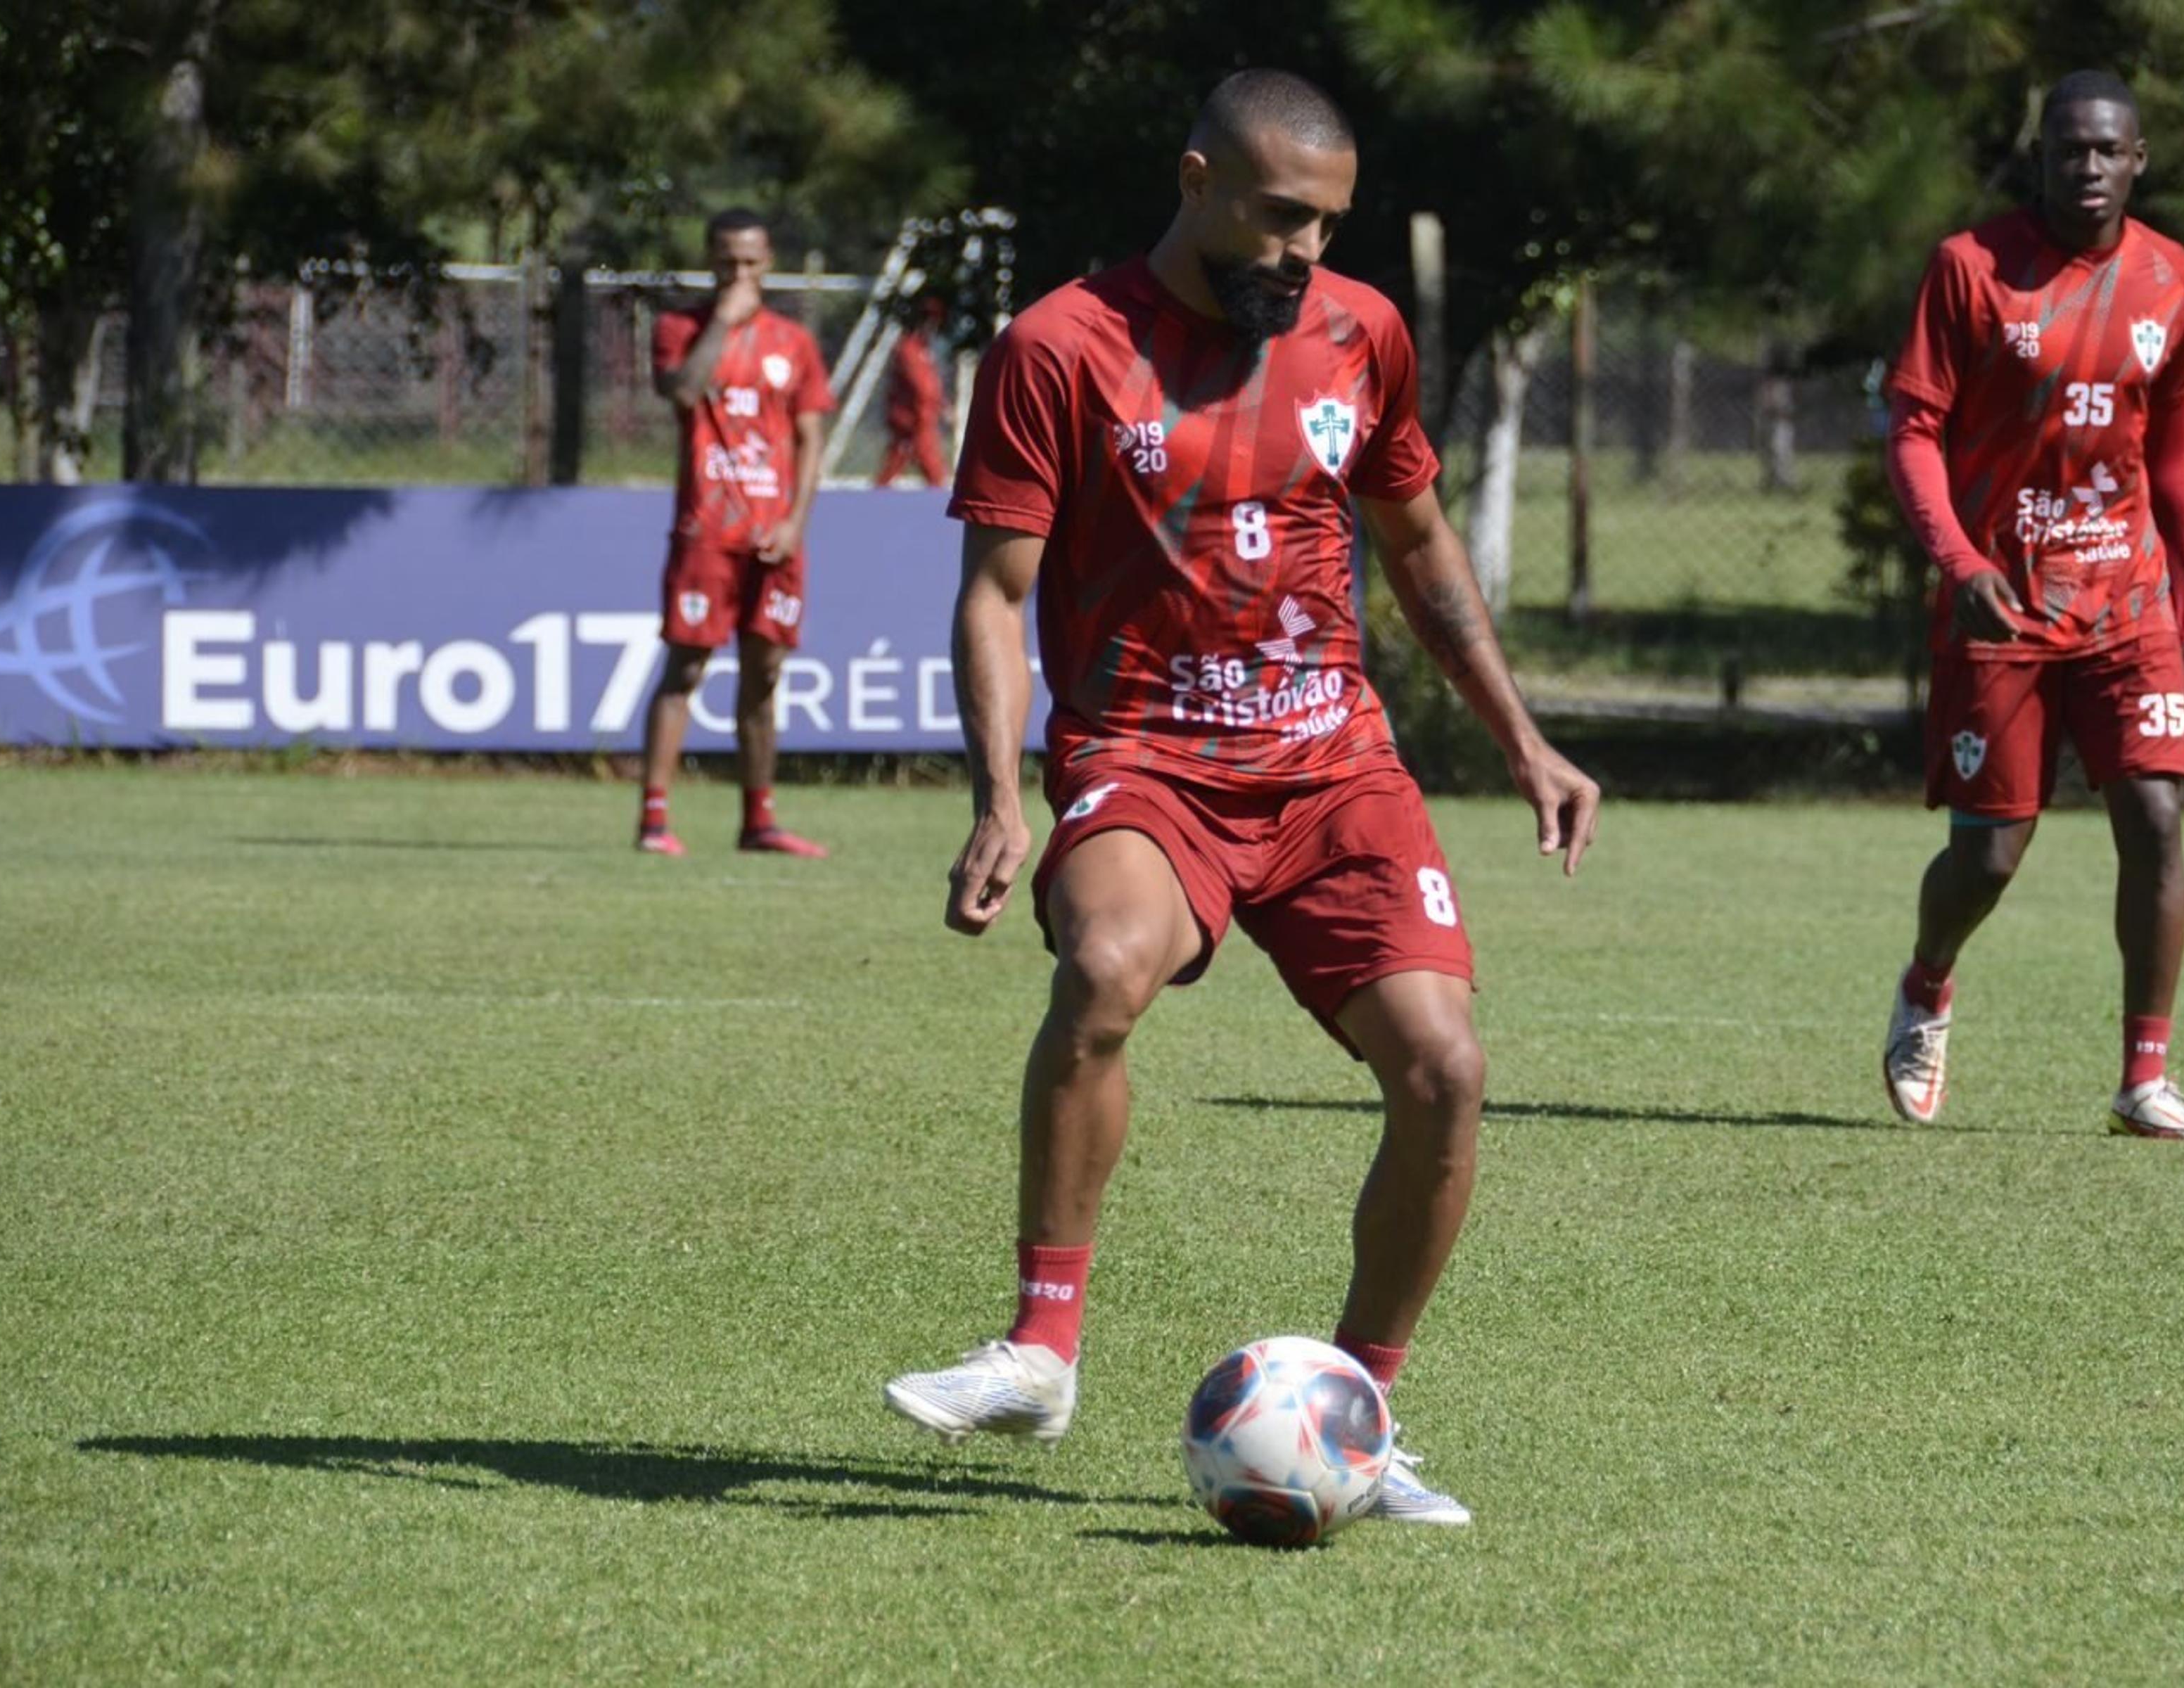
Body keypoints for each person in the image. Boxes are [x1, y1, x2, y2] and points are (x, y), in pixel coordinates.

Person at [881, 70, 1599, 1525]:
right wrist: (1000, 798)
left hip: (1335, 764)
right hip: (1148, 759)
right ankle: (1042, 1347)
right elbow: (995, 594)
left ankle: (1361, 1416)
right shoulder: (1061, 348)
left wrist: (1523, 739)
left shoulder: (1362, 337)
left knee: (1445, 1068)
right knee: (1104, 968)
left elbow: (1421, 547)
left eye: (1327, 226)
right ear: (1198, 177)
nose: (1304, 253)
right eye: (1278, 218)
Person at [1878, 72, 2184, 1142]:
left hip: (2129, 599)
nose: (2087, 168)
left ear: (2138, 159)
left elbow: (2169, 449)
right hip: (2003, 604)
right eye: (2067, 150)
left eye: (2106, 151)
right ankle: (1928, 987)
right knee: (1989, 850)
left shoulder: (2172, 279)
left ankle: (2144, 1077)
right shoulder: (1971, 270)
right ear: (2041, 158)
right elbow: (1913, 430)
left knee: (2157, 821)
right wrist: (1958, 558)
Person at [636, 207, 836, 857]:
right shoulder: (681, 329)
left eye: (750, 263)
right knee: (686, 666)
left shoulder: (793, 343)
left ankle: (759, 821)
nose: (739, 273)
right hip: (706, 533)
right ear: (711, 260)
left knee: (765, 673)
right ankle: (655, 821)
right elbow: (683, 393)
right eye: (727, 262)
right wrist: (723, 320)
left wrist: (794, 521)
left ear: (768, 260)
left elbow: (811, 440)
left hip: (773, 537)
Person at [874, 297, 950, 487]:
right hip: (913, 419)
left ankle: (880, 493)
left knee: (902, 460)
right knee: (930, 466)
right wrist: (939, 407)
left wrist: (942, 405)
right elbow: (922, 386)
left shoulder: (923, 350)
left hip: (922, 417)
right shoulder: (909, 349)